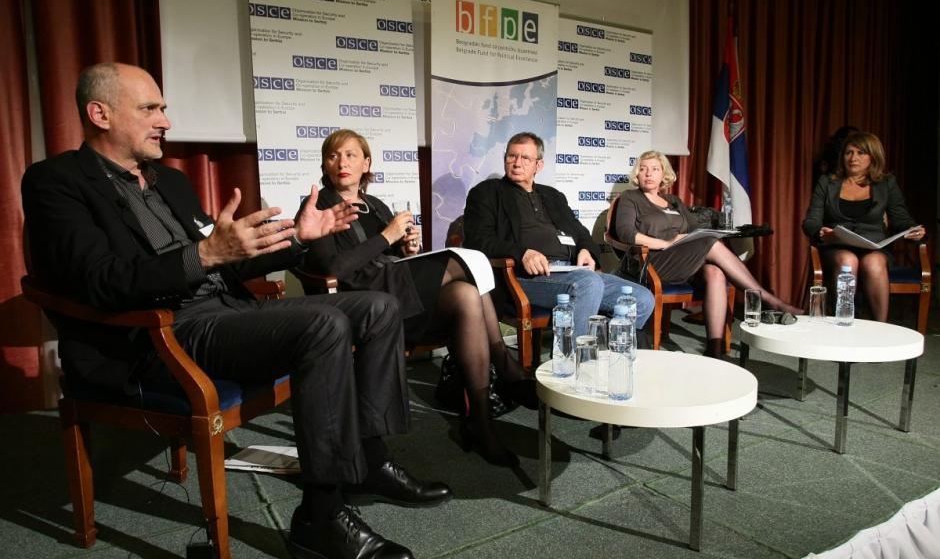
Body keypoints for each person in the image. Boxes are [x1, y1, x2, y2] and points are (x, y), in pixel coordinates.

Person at [21, 63, 452, 559]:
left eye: (163, 108)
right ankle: (320, 513)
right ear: (100, 114)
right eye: (150, 108)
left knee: (377, 307)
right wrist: (203, 256)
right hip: (160, 333)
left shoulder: (171, 182)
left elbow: (230, 262)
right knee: (323, 325)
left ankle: (370, 460)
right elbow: (99, 281)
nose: (165, 120)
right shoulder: (56, 182)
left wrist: (298, 239)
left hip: (227, 312)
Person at [297, 129, 533, 468]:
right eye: (333, 156)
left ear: (366, 164)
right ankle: (505, 364)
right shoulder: (319, 206)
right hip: (366, 300)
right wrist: (386, 236)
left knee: (466, 294)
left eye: (350, 155)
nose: (342, 162)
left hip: (396, 286)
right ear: (325, 164)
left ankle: (480, 423)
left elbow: (390, 256)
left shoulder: (376, 205)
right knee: (465, 260)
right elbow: (333, 269)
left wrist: (406, 248)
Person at [463, 132, 655, 339]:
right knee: (589, 284)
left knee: (642, 298)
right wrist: (522, 253)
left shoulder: (552, 195)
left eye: (525, 158)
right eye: (512, 156)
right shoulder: (487, 192)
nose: (517, 163)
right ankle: (573, 356)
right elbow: (477, 240)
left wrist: (586, 250)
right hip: (523, 277)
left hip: (572, 272)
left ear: (538, 165)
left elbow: (580, 232)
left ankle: (604, 349)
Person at [614, 150, 802, 358]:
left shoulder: (674, 201)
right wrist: (664, 243)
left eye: (655, 169)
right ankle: (769, 300)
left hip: (683, 260)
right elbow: (625, 233)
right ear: (637, 174)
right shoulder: (630, 198)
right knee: (712, 244)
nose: (648, 173)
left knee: (715, 273)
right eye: (643, 169)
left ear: (663, 174)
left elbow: (695, 228)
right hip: (652, 261)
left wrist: (700, 234)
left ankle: (715, 348)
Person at [802, 131, 925, 322]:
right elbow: (811, 221)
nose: (853, 158)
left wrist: (914, 230)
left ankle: (880, 327)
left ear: (873, 157)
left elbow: (901, 218)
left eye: (861, 153)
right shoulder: (827, 182)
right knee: (847, 261)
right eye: (849, 152)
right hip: (837, 247)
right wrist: (820, 232)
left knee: (874, 263)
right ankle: (843, 323)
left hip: (874, 247)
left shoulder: (886, 184)